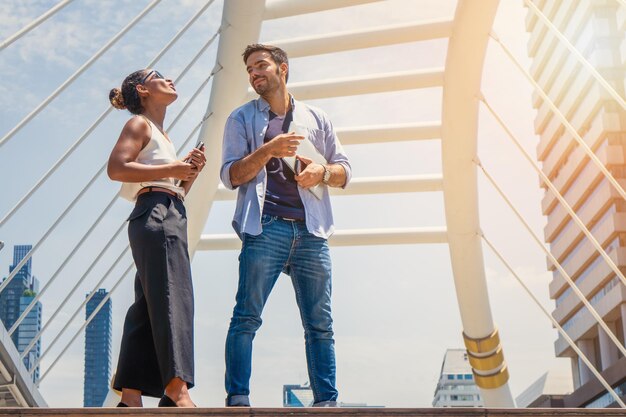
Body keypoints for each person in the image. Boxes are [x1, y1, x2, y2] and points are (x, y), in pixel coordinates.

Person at [220, 44, 351, 407]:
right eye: (249, 69)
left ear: (283, 69)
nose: (254, 73)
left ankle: (326, 401)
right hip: (265, 228)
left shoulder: (317, 118)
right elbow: (231, 176)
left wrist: (321, 172)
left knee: (320, 324)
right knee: (246, 316)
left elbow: (344, 171)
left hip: (312, 232)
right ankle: (238, 399)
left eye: (260, 65)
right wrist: (269, 149)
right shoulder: (241, 119)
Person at [107, 68, 206, 408]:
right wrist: (172, 170)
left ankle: (131, 395)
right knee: (173, 296)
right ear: (141, 90)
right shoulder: (139, 125)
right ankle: (176, 389)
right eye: (158, 75)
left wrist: (188, 173)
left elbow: (173, 189)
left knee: (148, 305)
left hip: (165, 210)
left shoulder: (163, 135)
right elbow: (117, 168)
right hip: (156, 213)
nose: (170, 79)